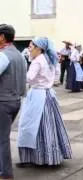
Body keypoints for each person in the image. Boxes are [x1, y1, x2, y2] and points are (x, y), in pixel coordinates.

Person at [17, 37, 72, 167]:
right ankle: (50, 157)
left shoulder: (38, 61)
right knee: (49, 125)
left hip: (38, 95)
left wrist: (18, 71)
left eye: (31, 47)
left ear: (39, 48)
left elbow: (29, 78)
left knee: (32, 125)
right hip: (48, 94)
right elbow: (56, 74)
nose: (29, 49)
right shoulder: (49, 59)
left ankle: (36, 158)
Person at [0, 24, 26, 180]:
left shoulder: (3, 55)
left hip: (3, 101)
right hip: (15, 100)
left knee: (2, 139)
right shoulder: (19, 54)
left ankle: (5, 174)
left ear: (2, 37)